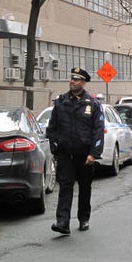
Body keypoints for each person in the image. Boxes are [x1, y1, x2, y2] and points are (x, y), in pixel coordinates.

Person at [46, 68, 104, 236]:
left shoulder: (92, 104)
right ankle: (62, 222)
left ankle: (84, 218)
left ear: (84, 83)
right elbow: (52, 128)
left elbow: (98, 130)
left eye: (77, 80)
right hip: (65, 153)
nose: (73, 82)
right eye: (72, 79)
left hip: (85, 154)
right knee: (65, 186)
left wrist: (94, 153)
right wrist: (54, 145)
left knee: (85, 188)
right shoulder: (61, 102)